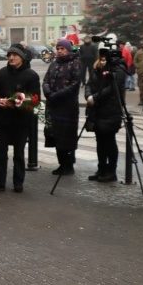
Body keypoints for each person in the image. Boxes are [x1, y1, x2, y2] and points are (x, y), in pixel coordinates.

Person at [0, 43, 41, 193]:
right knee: (1, 153)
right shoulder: (2, 72)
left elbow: (35, 99)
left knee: (18, 154)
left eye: (14, 55)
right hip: (3, 120)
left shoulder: (31, 75)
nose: (11, 57)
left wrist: (15, 103)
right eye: (9, 55)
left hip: (21, 121)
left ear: (22, 58)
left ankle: (18, 182)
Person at [85, 44, 126, 182]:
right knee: (100, 142)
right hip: (96, 111)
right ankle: (101, 169)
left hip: (111, 111)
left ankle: (111, 171)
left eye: (105, 59)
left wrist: (94, 98)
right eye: (101, 58)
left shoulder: (117, 70)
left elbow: (112, 89)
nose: (103, 61)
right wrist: (88, 96)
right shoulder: (96, 69)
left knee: (109, 141)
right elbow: (89, 84)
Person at [42, 38, 82, 176]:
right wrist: (47, 92)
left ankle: (68, 165)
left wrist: (57, 95)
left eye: (62, 48)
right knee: (56, 135)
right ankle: (61, 164)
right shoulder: (53, 64)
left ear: (68, 49)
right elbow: (46, 80)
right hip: (53, 105)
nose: (59, 51)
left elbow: (75, 84)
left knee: (67, 137)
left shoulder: (75, 63)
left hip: (67, 107)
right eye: (58, 48)